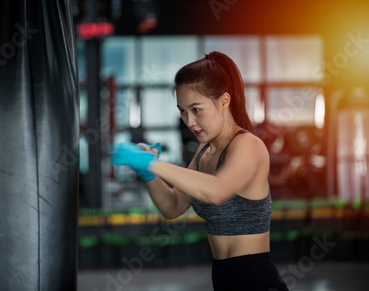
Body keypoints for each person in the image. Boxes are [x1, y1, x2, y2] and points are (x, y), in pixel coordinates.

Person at [111, 51, 289, 291]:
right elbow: (172, 207)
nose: (189, 121)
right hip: (224, 279)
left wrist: (151, 163)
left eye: (196, 109)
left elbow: (216, 191)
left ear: (224, 101)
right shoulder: (204, 151)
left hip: (256, 280)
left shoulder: (248, 145)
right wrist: (148, 175)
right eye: (182, 111)